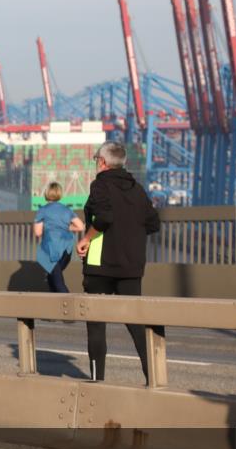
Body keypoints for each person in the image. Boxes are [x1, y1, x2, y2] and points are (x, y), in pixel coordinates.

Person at [76, 142, 161, 383]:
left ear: (102, 162)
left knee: (96, 324)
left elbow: (104, 217)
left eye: (95, 160)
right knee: (136, 323)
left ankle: (96, 380)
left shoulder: (100, 185)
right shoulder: (137, 189)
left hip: (100, 266)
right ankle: (153, 379)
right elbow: (153, 223)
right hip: (131, 265)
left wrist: (86, 238)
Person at [34, 182, 85, 293]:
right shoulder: (67, 210)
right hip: (67, 249)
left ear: (46, 193)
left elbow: (37, 232)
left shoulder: (43, 210)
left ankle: (70, 307)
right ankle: (55, 307)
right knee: (51, 277)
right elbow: (81, 226)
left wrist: (50, 228)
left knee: (58, 283)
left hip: (51, 249)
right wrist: (66, 228)